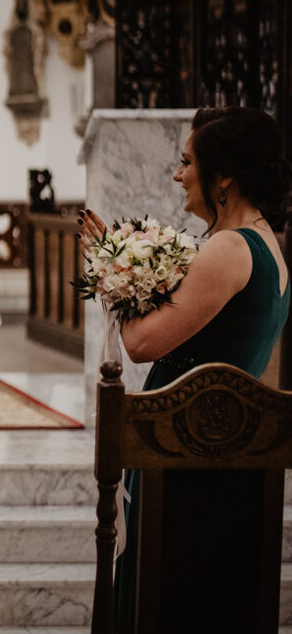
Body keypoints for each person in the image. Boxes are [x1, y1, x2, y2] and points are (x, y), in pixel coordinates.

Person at [80, 106, 290, 633]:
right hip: (212, 449)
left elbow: (143, 343)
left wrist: (108, 273)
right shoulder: (266, 243)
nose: (177, 175)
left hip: (187, 458)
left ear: (224, 178)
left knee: (172, 599)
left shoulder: (229, 249)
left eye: (187, 162)